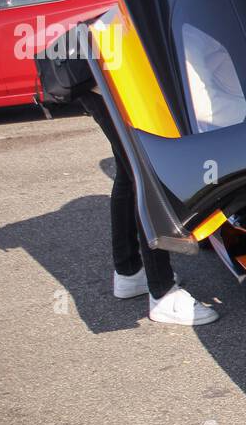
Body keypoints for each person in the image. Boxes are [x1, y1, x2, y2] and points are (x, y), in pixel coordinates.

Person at [77, 88, 220, 325]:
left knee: (130, 170)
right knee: (146, 174)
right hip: (112, 81)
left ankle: (129, 271)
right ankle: (163, 294)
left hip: (98, 82)